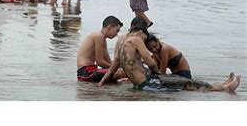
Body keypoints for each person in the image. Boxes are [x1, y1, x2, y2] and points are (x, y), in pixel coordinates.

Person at [100, 24, 241, 92]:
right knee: (186, 83)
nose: (145, 41)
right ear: (140, 32)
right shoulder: (136, 40)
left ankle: (222, 85)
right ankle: (225, 88)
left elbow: (113, 68)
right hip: (149, 82)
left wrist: (101, 83)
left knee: (184, 82)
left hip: (142, 83)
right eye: (145, 37)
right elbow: (150, 62)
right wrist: (158, 73)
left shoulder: (120, 44)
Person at [77, 16, 125, 82]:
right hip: (85, 72)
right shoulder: (98, 36)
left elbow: (109, 61)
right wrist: (115, 69)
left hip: (89, 71)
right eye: (117, 31)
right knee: (117, 73)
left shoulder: (103, 40)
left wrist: (121, 67)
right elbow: (99, 62)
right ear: (109, 27)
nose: (117, 34)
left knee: (120, 72)